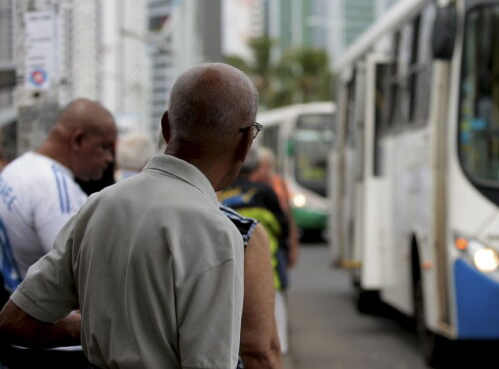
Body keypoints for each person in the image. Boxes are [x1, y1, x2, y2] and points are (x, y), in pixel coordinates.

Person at [0, 63, 277, 369]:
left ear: (166, 127)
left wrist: (99, 328)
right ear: (245, 142)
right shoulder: (218, 233)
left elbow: (15, 320)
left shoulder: (98, 206)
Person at [0, 98, 115, 368]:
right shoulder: (54, 188)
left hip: (22, 337)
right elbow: (82, 276)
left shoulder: (18, 170)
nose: (109, 158)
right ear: (78, 140)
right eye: (104, 147)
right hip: (53, 349)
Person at [220, 147, 291, 354]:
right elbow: (282, 229)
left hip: (227, 274)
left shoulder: (220, 192)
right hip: (266, 274)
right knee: (268, 343)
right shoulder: (265, 192)